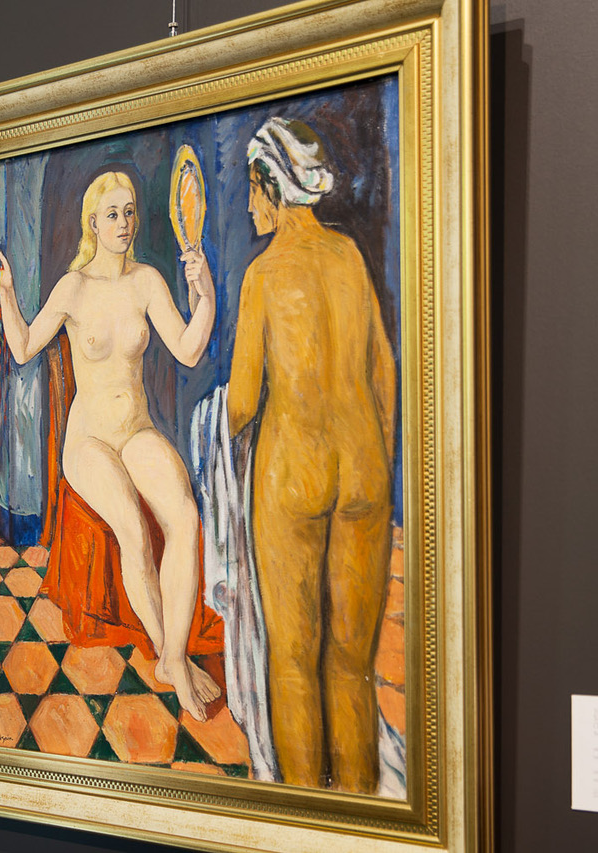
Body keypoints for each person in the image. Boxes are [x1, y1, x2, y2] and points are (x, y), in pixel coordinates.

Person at [0, 171, 220, 721]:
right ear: (93, 222)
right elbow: (23, 348)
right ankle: (171, 657)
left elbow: (188, 350)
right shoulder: (74, 288)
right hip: (88, 442)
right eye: (113, 214)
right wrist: (7, 294)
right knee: (133, 528)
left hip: (136, 431)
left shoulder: (147, 281)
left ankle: (174, 656)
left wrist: (205, 295)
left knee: (184, 517)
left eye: (130, 211)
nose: (124, 223)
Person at [226, 117, 396, 792]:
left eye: (252, 191)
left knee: (294, 662)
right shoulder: (350, 259)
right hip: (364, 471)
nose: (248, 207)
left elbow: (243, 401)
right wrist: (373, 453)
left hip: (292, 475)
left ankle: (304, 816)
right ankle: (360, 811)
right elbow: (383, 376)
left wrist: (216, 432)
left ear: (273, 186)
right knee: (352, 665)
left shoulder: (264, 276)